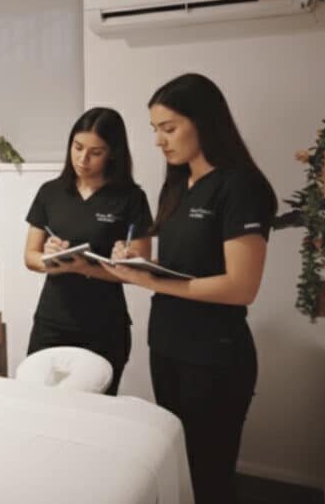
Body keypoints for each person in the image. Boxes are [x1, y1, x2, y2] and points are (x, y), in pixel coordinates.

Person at [102, 73, 276, 504]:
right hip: (167, 344)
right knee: (176, 466)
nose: (159, 141)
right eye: (155, 130)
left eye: (169, 128)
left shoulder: (241, 187)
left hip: (214, 356)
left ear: (204, 122)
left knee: (208, 475)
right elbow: (184, 269)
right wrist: (140, 265)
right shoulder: (178, 186)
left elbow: (241, 286)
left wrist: (151, 279)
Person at [23, 107, 153, 395]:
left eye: (96, 152)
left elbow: (140, 272)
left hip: (104, 326)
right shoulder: (50, 192)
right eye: (77, 147)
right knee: (39, 406)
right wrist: (49, 258)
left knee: (94, 417)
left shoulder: (131, 198)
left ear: (113, 153)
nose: (83, 159)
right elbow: (30, 257)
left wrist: (88, 268)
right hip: (52, 322)